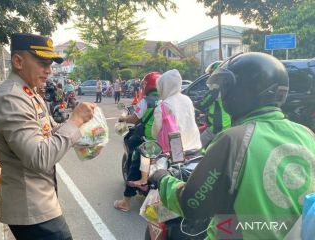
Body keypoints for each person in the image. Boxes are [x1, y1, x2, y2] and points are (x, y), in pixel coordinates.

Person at [149, 53, 315, 239]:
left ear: (244, 90)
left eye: (227, 87)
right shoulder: (307, 134)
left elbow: (192, 205)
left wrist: (162, 179)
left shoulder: (233, 140)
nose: (222, 95)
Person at [0, 33, 95, 240]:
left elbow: (47, 132)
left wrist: (83, 130)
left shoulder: (29, 93)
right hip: (31, 207)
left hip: (39, 201)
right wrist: (75, 122)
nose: (48, 70)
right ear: (18, 61)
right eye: (42, 63)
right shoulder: (11, 98)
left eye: (50, 64)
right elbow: (39, 157)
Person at [130, 69, 202, 186]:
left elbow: (155, 132)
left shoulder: (163, 105)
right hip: (195, 145)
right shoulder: (187, 100)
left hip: (174, 150)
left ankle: (143, 181)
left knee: (146, 149)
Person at [113, 72, 161, 212]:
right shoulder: (165, 100)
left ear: (146, 86)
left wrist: (123, 119)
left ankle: (125, 202)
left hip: (147, 140)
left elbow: (134, 119)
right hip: (163, 141)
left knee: (134, 161)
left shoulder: (146, 101)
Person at [195, 61, 231, 148]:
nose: (210, 76)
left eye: (212, 74)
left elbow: (203, 103)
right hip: (227, 124)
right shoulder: (226, 87)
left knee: (197, 146)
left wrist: (192, 105)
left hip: (218, 127)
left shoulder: (216, 89)